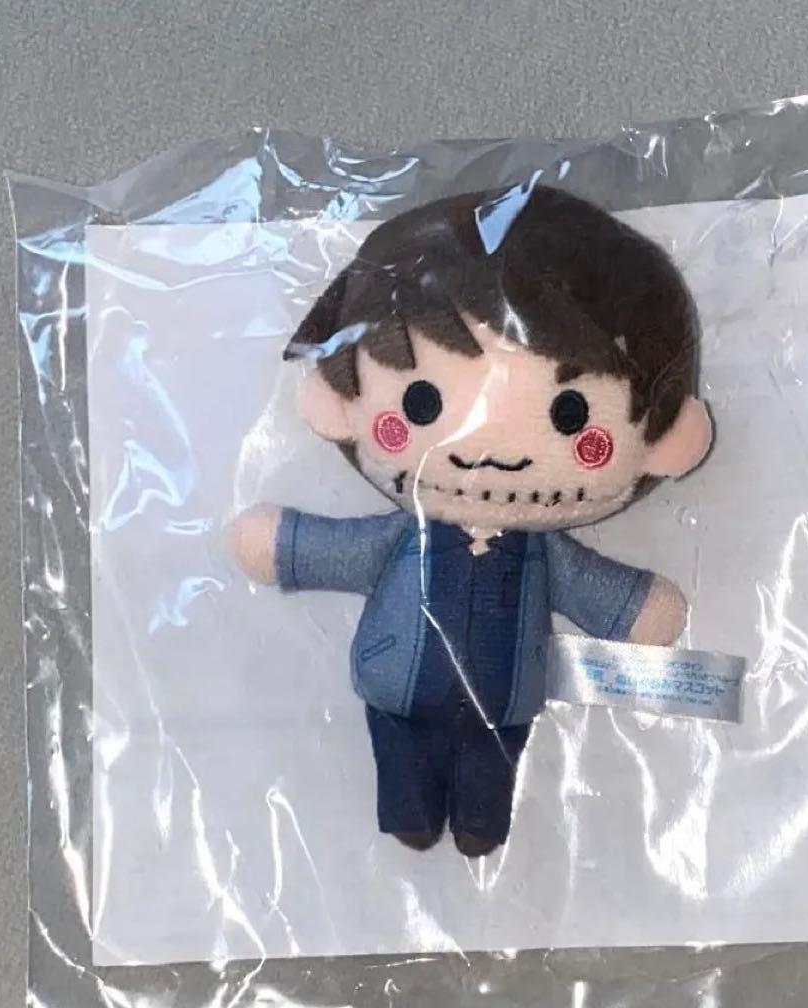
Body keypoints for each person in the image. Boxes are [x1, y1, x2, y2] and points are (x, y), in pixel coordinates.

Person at [232, 184, 712, 857]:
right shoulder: (409, 536)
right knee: (401, 761)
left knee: (491, 778)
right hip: (398, 685)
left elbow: (593, 588)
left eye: (570, 416)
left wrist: (636, 611)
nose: (493, 453)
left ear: (661, 440)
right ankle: (410, 802)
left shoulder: (544, 553)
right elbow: (343, 549)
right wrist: (284, 544)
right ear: (341, 401)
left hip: (505, 704)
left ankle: (482, 813)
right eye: (422, 402)